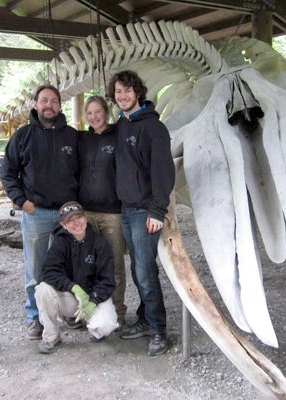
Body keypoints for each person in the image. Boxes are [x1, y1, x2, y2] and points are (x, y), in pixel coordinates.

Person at [1, 84, 80, 340]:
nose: (49, 105)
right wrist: (21, 201)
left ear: (59, 105)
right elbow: (8, 173)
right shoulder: (23, 136)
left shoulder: (72, 136)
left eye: (54, 101)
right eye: (44, 100)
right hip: (36, 214)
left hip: (66, 215)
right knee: (35, 270)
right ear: (35, 105)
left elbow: (83, 172)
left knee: (68, 266)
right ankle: (35, 318)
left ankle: (67, 311)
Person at [105, 70, 175, 356]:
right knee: (138, 269)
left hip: (145, 211)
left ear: (138, 92)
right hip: (126, 209)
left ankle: (159, 331)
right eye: (118, 92)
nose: (122, 96)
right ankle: (145, 320)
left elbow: (163, 172)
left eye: (127, 90)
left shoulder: (153, 128)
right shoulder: (122, 126)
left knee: (145, 272)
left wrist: (157, 211)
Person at [35, 201, 117, 354]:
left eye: (78, 217)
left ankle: (93, 328)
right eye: (69, 220)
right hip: (71, 297)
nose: (76, 223)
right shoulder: (60, 243)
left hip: (93, 298)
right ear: (63, 225)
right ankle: (51, 336)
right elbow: (49, 272)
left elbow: (107, 280)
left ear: (85, 218)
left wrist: (93, 300)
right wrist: (73, 287)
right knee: (42, 290)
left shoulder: (100, 243)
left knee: (107, 325)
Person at [78, 95, 127, 326]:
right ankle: (91, 312)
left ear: (106, 112)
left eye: (98, 112)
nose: (94, 117)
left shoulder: (118, 135)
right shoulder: (82, 139)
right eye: (89, 113)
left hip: (112, 214)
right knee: (88, 265)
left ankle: (118, 311)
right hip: (86, 213)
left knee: (115, 264)